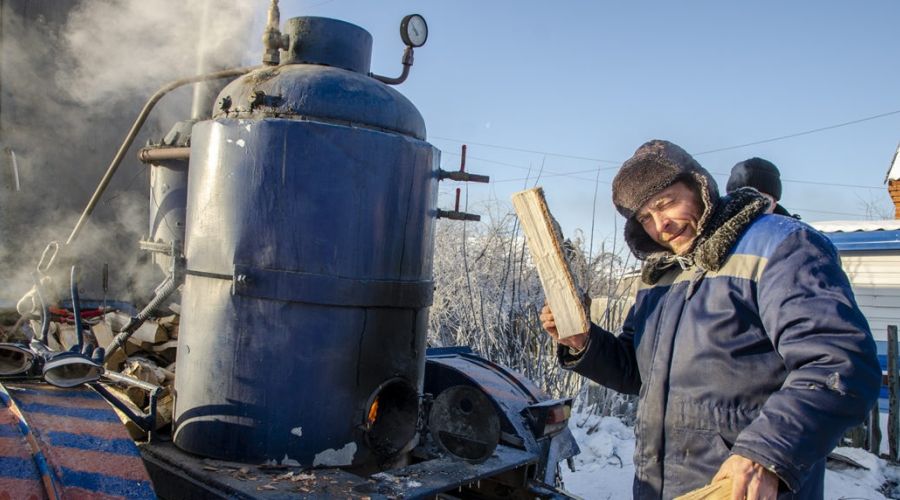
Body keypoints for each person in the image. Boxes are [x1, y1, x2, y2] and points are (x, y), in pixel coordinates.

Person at [541, 140, 880, 499]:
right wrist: (584, 343)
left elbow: (838, 364)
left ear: (700, 186)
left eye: (666, 203)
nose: (661, 225)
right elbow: (637, 372)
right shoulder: (662, 273)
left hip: (745, 488)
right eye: (645, 218)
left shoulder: (780, 246)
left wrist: (766, 453)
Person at [726, 157, 796, 217]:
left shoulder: (790, 231)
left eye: (759, 201)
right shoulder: (716, 227)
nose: (750, 208)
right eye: (740, 199)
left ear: (774, 203)